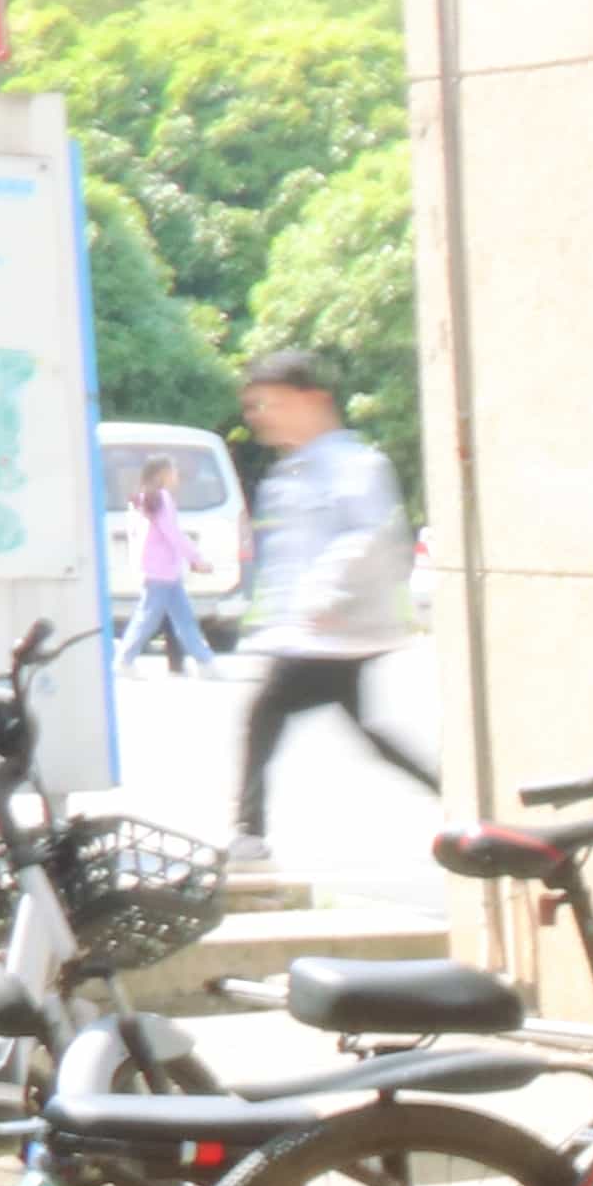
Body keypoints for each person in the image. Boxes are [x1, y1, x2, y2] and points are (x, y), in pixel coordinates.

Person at [231, 351, 422, 843]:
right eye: (255, 406)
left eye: (272, 404)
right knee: (366, 732)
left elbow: (369, 531)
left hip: (334, 630)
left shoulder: (354, 465)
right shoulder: (289, 473)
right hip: (314, 633)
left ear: (314, 400)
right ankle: (452, 797)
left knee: (264, 715)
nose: (260, 417)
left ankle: (248, 833)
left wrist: (323, 594)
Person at [122, 466, 209, 675]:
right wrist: (195, 558)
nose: (177, 477)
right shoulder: (161, 499)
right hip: (161, 572)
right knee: (148, 619)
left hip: (161, 571)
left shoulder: (143, 500)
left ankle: (205, 661)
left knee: (183, 619)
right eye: (173, 473)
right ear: (162, 475)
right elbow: (173, 533)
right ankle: (124, 660)